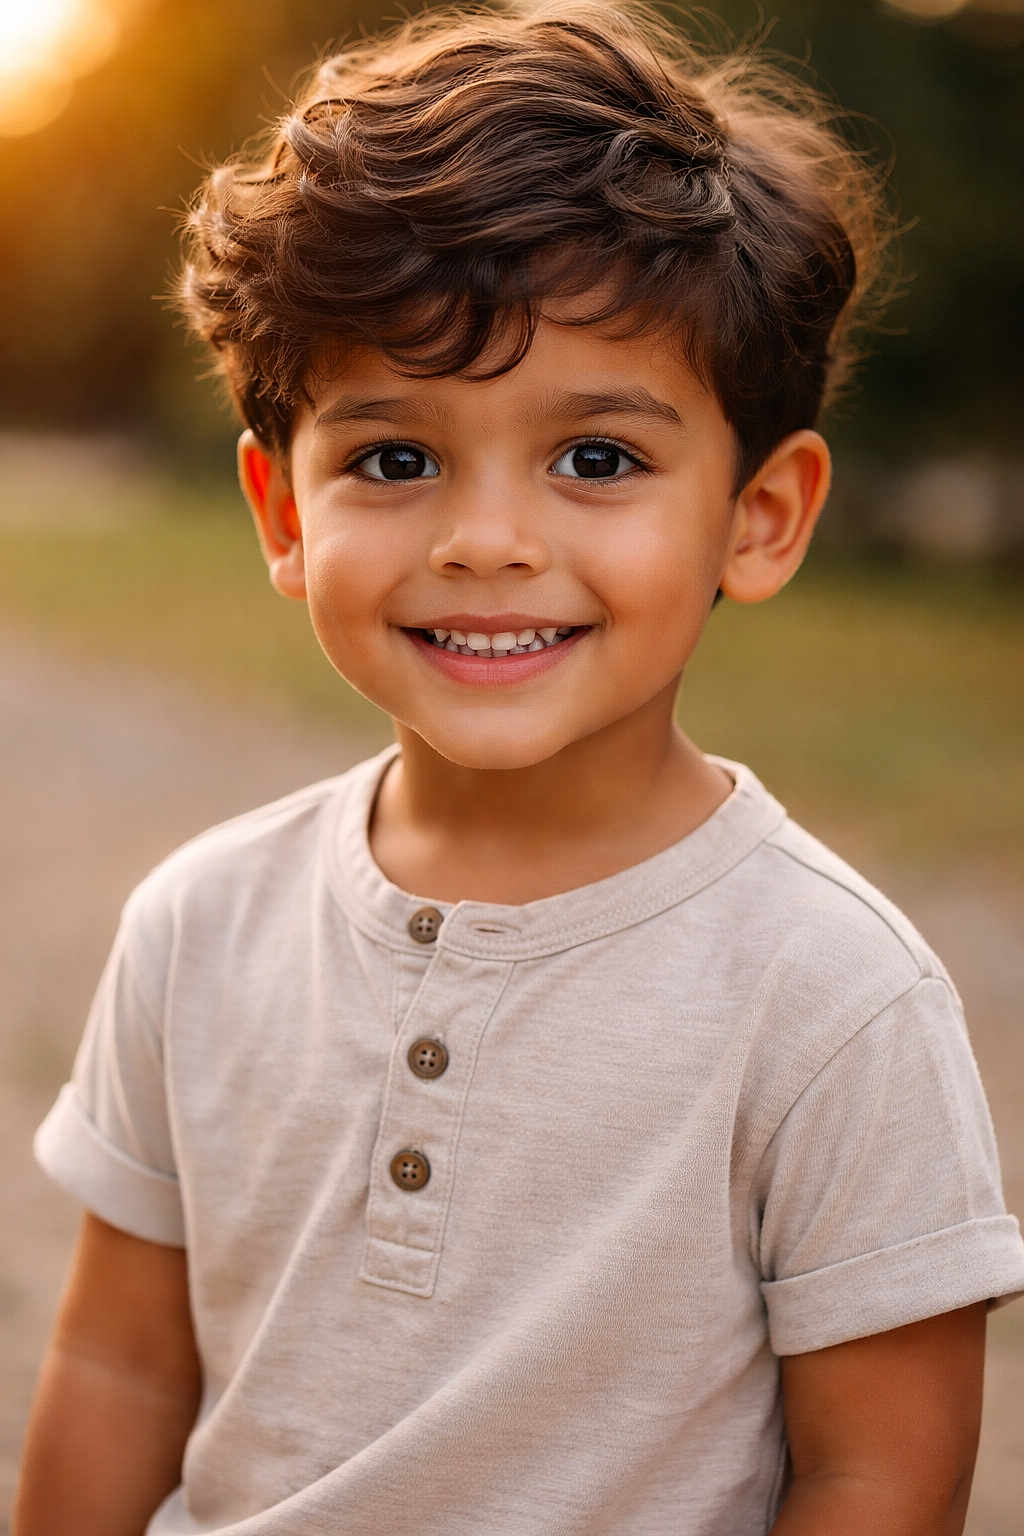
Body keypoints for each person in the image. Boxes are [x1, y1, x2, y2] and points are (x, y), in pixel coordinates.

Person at [14, 2, 1024, 1532]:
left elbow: (880, 1476)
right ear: (285, 517)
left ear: (760, 516)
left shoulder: (831, 1000)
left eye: (598, 459)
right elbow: (119, 1371)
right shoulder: (196, 924)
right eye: (396, 459)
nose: (488, 539)